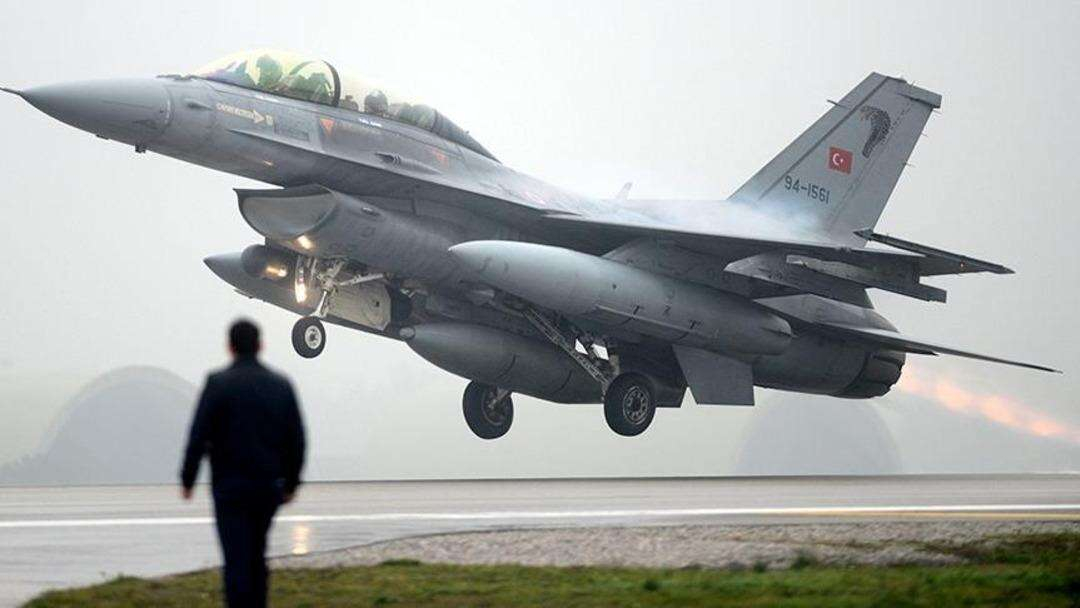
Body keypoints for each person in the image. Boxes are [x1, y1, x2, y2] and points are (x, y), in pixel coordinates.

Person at [181, 319, 306, 608]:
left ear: (230, 347)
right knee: (257, 555)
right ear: (261, 345)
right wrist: (291, 484)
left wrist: (188, 480)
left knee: (235, 558)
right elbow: (297, 439)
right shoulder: (280, 385)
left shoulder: (217, 383)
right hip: (267, 488)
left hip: (229, 489)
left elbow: (198, 435)